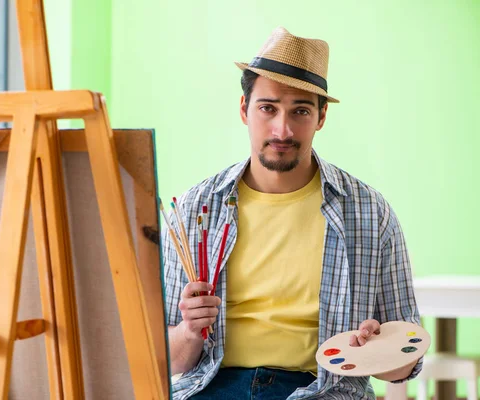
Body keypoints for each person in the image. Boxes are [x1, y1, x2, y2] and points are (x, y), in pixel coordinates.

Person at [162, 26, 422, 400]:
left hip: (320, 391)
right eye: (268, 108)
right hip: (211, 387)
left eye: (300, 111)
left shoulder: (369, 213)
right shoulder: (195, 210)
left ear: (321, 118)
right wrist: (189, 331)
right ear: (243, 109)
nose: (282, 129)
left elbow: (403, 365)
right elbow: (165, 358)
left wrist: (378, 349)